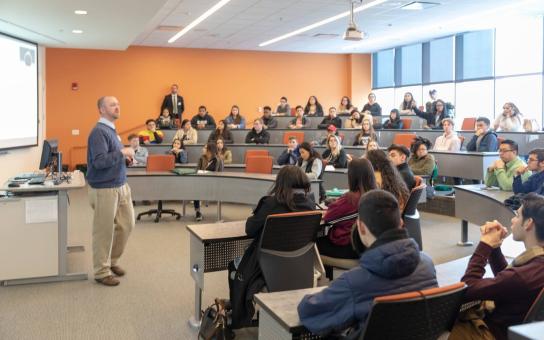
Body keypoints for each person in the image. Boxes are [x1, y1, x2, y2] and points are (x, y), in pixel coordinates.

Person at [298, 190, 437, 336]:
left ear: (361, 228)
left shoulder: (354, 283)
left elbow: (309, 311)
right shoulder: (427, 264)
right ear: (401, 223)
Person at [229, 166, 316, 328]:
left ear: (280, 183)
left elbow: (250, 229)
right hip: (299, 267)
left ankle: (238, 316)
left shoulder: (271, 203)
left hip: (265, 268)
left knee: (234, 265)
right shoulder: (310, 205)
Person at [451, 193, 544, 340]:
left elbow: (468, 287)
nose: (512, 220)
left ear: (528, 223)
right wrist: (494, 248)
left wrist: (485, 245)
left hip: (493, 333)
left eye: (517, 215)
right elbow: (508, 282)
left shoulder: (523, 275)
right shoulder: (537, 264)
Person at [87, 96, 135, 286]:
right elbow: (99, 162)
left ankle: (112, 261)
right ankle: (101, 271)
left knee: (127, 225)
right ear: (101, 109)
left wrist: (125, 159)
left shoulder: (111, 130)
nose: (117, 107)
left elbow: (111, 157)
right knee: (103, 231)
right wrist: (122, 152)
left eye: (118, 104)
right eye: (112, 105)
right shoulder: (98, 132)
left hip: (121, 185)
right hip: (105, 188)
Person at [317, 159, 377, 259]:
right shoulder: (377, 194)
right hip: (366, 246)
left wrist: (334, 204)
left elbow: (328, 217)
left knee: (312, 244)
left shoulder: (351, 198)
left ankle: (322, 274)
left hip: (347, 246)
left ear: (352, 176)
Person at [194, 143, 224, 221]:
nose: (203, 149)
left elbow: (221, 174)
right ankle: (197, 212)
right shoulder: (201, 158)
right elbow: (196, 171)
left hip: (213, 183)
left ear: (210, 151)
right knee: (195, 189)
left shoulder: (218, 160)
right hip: (201, 182)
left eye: (205, 148)